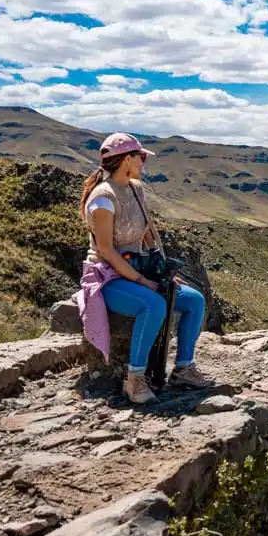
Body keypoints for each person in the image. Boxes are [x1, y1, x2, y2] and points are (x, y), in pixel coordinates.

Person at [78, 132, 213, 404]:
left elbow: (149, 232)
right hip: (108, 276)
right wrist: (141, 281)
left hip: (139, 266)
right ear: (127, 160)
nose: (144, 162)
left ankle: (184, 369)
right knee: (153, 305)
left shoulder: (136, 189)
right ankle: (135, 379)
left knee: (194, 300)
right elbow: (106, 250)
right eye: (140, 157)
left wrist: (163, 272)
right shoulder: (103, 198)